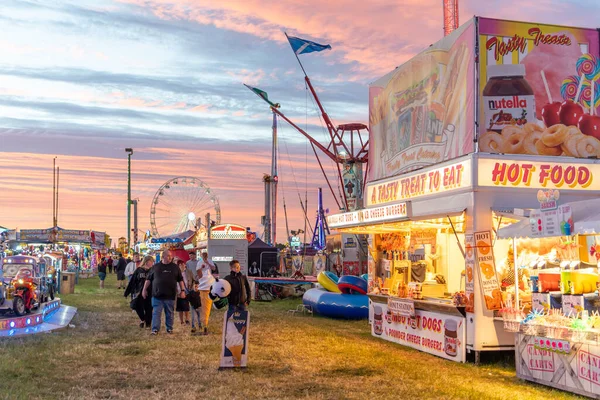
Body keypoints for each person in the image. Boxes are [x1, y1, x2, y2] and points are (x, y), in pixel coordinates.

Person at [142, 249, 185, 335]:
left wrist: (183, 290)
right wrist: (144, 290)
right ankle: (155, 329)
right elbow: (148, 280)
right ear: (163, 257)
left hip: (170, 295)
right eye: (168, 256)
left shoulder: (175, 267)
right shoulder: (156, 267)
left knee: (169, 313)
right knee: (156, 313)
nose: (170, 257)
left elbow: (180, 280)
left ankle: (169, 328)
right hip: (157, 295)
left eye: (170, 256)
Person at [125, 255, 154, 328]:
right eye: (151, 261)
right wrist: (127, 292)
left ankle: (148, 324)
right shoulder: (139, 270)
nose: (152, 263)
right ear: (147, 261)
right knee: (136, 305)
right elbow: (132, 281)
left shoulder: (152, 270)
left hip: (150, 292)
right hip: (139, 291)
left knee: (149, 308)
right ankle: (143, 319)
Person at [196, 254, 216, 335]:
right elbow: (198, 273)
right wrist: (201, 267)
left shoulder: (210, 261)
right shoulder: (199, 262)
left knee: (206, 308)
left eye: (206, 256)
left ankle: (205, 323)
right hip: (202, 285)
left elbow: (214, 268)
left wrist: (208, 263)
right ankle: (204, 323)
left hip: (209, 284)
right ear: (201, 256)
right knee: (203, 307)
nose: (205, 257)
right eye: (204, 256)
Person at [176, 259, 190, 326]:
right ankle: (181, 321)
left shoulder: (187, 272)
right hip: (179, 292)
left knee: (186, 307)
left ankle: (187, 319)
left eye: (182, 264)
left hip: (186, 292)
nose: (182, 266)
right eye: (180, 265)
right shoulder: (176, 274)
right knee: (180, 308)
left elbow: (191, 280)